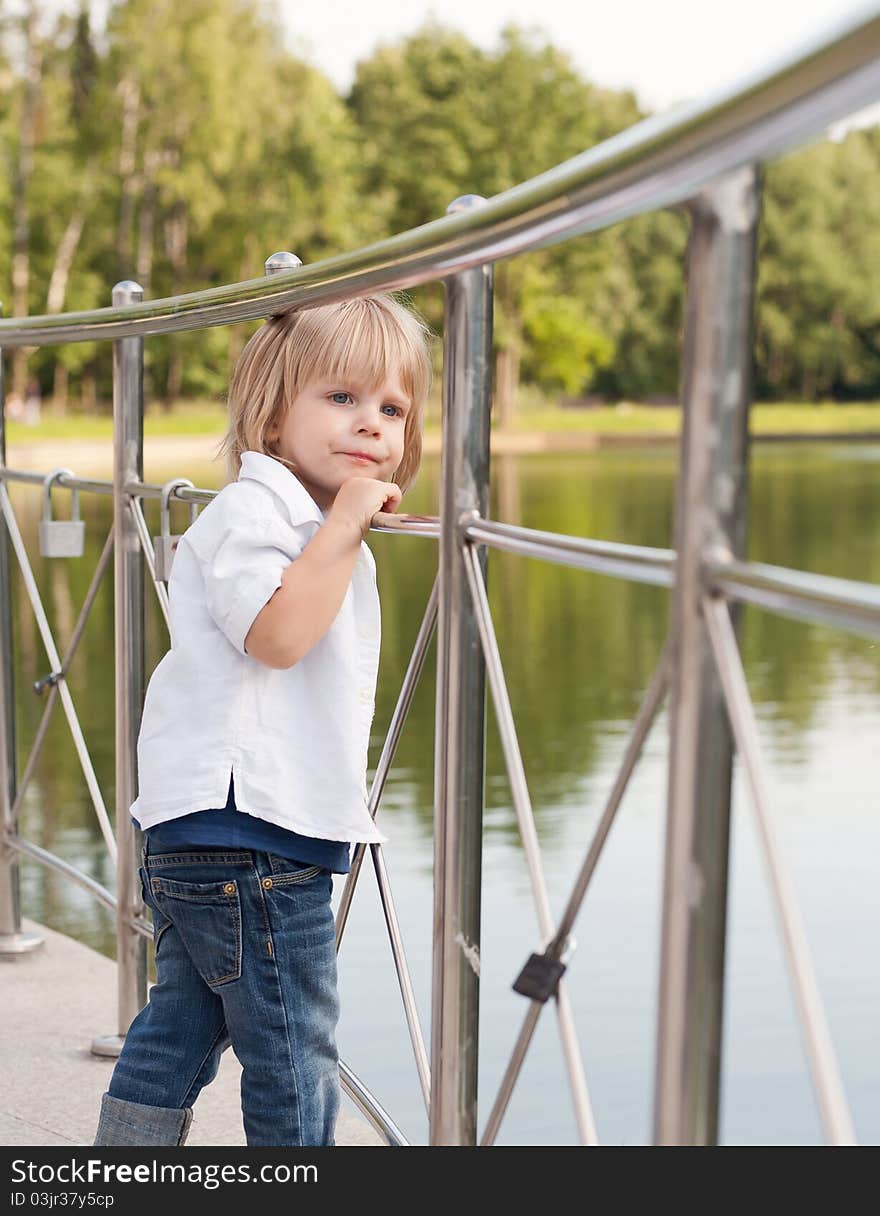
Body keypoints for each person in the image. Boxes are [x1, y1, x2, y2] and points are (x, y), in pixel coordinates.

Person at [92, 294, 432, 1147]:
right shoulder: (253, 517)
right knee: (293, 1050)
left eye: (392, 409)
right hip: (252, 838)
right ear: (272, 415)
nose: (371, 425)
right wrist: (348, 523)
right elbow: (278, 637)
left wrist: (343, 525)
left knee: (182, 1024)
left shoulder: (308, 523)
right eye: (342, 397)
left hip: (213, 833)